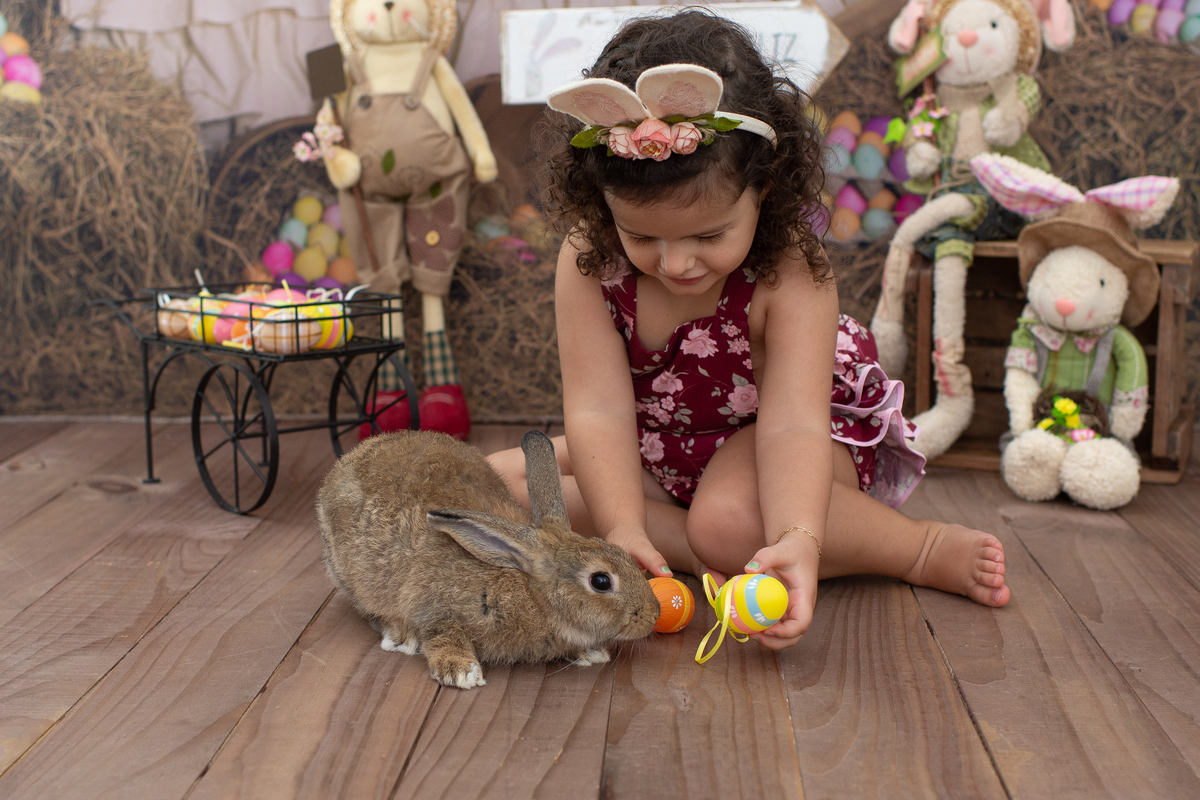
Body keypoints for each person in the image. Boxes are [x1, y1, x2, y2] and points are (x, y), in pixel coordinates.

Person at [488, 9, 1009, 650]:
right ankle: (686, 545)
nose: (676, 263)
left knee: (729, 518)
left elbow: (793, 423)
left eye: (708, 235)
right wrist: (622, 529)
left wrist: (797, 535)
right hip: (664, 437)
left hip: (785, 440)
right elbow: (598, 409)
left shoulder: (789, 270)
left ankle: (914, 548)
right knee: (498, 488)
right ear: (603, 204)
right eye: (642, 236)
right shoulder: (590, 256)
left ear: (763, 188)